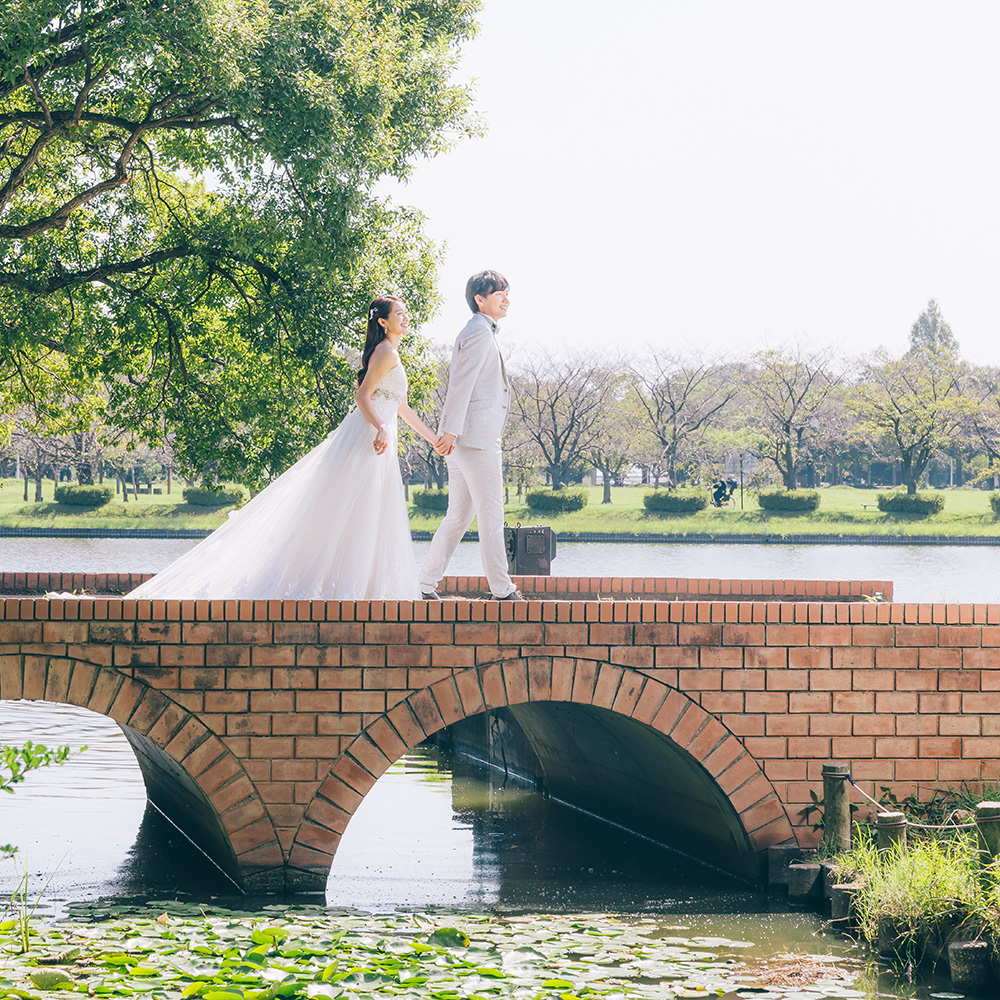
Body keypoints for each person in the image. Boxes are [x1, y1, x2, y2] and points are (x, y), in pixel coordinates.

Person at [127, 296, 440, 600]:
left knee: (366, 509)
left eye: (405, 312)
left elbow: (402, 407)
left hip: (377, 438)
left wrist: (432, 438)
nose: (406, 316)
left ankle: (355, 587)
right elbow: (363, 396)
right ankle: (339, 586)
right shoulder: (386, 352)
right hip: (368, 437)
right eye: (400, 313)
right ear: (383, 322)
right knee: (350, 506)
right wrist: (381, 427)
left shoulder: (391, 353)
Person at [418, 270, 523, 601]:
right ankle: (503, 591)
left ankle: (425, 583)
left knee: (458, 517)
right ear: (480, 299)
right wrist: (450, 430)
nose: (506, 299)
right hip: (474, 439)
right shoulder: (478, 331)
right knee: (491, 515)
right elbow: (460, 383)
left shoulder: (480, 331)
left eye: (507, 293)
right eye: (499, 294)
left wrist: (451, 432)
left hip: (465, 439)